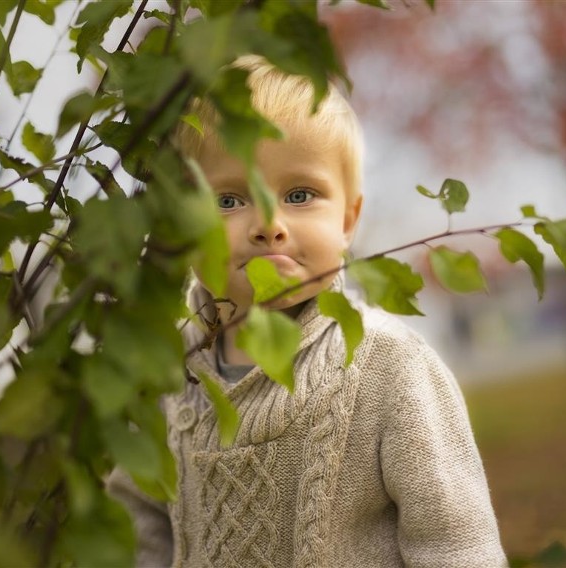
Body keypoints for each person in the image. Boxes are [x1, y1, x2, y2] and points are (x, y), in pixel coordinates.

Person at [107, 56, 508, 568]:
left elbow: (456, 546)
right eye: (229, 200)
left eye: (300, 195)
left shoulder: (390, 367)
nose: (269, 225)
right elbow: (137, 532)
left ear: (347, 219)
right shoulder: (165, 371)